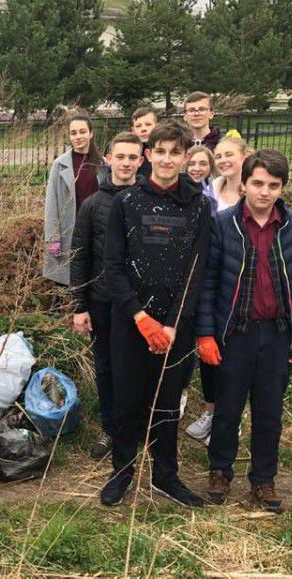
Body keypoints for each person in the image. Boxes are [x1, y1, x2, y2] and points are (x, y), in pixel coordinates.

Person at [101, 119, 211, 508]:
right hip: (131, 323)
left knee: (166, 405)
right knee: (127, 402)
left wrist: (170, 324)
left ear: (185, 157)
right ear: (149, 155)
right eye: (160, 152)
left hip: (175, 325)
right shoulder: (126, 202)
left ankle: (166, 476)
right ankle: (122, 472)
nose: (167, 159)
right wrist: (139, 317)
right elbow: (112, 266)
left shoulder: (199, 206)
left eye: (175, 153)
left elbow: (197, 270)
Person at [196, 149, 292, 512]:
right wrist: (206, 333)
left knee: (269, 412)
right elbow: (208, 283)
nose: (264, 192)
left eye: (273, 185)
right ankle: (220, 469)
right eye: (258, 183)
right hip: (236, 333)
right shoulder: (223, 224)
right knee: (227, 408)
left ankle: (263, 479)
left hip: (277, 335)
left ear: (282, 188)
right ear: (243, 184)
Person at [71, 131, 145, 459]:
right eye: (121, 156)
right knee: (106, 367)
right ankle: (109, 428)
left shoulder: (148, 201)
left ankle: (134, 426)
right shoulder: (92, 205)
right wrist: (79, 306)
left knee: (136, 366)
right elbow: (80, 256)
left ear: (141, 162)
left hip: (139, 303)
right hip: (101, 301)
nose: (126, 163)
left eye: (133, 157)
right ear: (109, 160)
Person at [183, 144, 220, 442]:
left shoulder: (213, 197)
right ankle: (179, 395)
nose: (197, 168)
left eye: (202, 163)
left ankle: (216, 413)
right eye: (191, 163)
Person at [44, 110, 106, 286]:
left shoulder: (102, 164)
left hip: (95, 231)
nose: (78, 137)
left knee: (92, 276)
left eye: (82, 132)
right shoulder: (60, 164)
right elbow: (51, 203)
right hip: (69, 230)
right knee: (67, 279)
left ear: (91, 133)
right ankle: (65, 311)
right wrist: (53, 238)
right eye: (73, 133)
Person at [210, 133, 248, 212]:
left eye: (229, 155)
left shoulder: (255, 193)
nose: (223, 160)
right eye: (218, 157)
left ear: (244, 158)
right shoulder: (209, 192)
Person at [130, 106, 157, 178]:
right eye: (138, 126)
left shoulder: (165, 152)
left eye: (148, 124)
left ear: (157, 127)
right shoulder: (128, 154)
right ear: (133, 131)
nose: (143, 129)